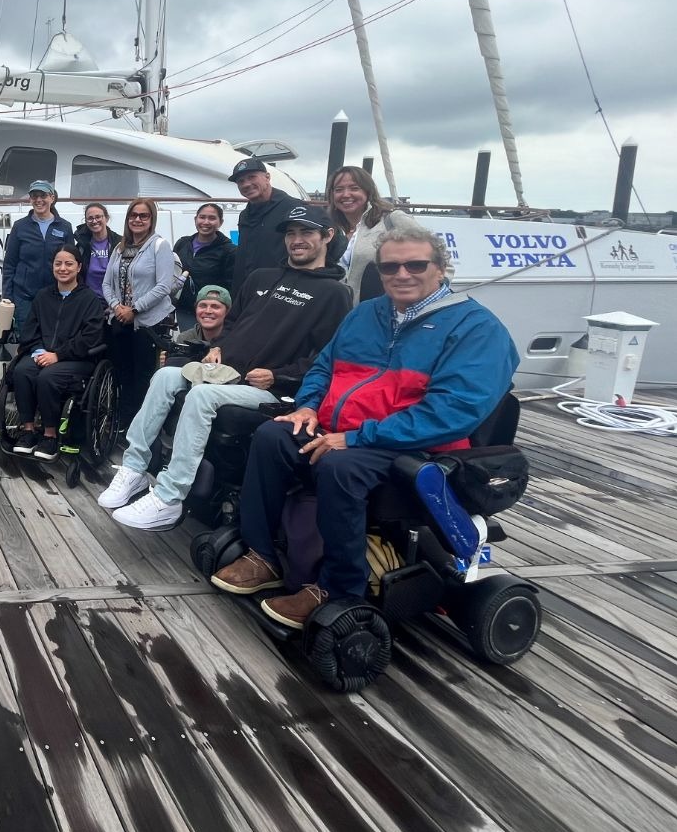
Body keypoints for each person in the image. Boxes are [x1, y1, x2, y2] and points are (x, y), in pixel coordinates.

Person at [211, 224, 518, 630]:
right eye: (390, 267)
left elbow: (453, 412)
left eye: (415, 264)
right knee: (272, 436)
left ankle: (339, 587)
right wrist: (307, 407)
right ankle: (263, 555)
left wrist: (357, 437)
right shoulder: (366, 313)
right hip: (344, 432)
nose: (401, 274)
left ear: (442, 268)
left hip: (417, 447)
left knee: (342, 466)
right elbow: (323, 366)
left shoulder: (476, 328)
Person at [101, 206, 352, 530]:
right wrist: (218, 346)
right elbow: (232, 324)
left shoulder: (335, 294)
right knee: (164, 376)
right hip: (224, 371)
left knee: (201, 397)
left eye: (306, 233)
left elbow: (325, 358)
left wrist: (279, 375)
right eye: (291, 233)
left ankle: (169, 496)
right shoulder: (261, 277)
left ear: (327, 236)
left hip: (268, 389)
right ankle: (134, 468)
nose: (297, 240)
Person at [9, 244, 108, 460]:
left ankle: (50, 436)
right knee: (22, 370)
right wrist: (37, 350)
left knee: (47, 377)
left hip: (77, 359)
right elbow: (30, 329)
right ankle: (28, 430)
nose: (63, 268)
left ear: (79, 267)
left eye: (69, 263)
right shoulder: (43, 296)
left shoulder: (89, 299)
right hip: (42, 354)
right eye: (58, 263)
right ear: (52, 267)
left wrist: (58, 355)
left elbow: (90, 337)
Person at [102, 198, 176, 429]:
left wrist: (135, 309)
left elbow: (164, 286)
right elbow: (106, 284)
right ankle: (123, 421)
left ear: (152, 219)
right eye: (133, 215)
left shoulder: (159, 245)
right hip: (121, 320)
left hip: (148, 323)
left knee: (142, 376)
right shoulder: (119, 247)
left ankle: (141, 425)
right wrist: (117, 307)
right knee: (123, 372)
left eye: (143, 215)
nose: (137, 219)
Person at [326, 164, 449, 302]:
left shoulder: (392, 219)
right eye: (339, 189)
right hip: (340, 310)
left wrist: (429, 295)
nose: (346, 194)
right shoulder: (330, 229)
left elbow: (441, 258)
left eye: (354, 188)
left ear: (368, 192)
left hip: (384, 311)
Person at [2, 180, 76, 339]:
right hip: (24, 297)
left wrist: (72, 295)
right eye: (34, 196)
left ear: (52, 198)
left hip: (55, 296)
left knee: (53, 340)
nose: (38, 200)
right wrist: (7, 297)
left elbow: (72, 263)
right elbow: (9, 265)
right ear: (30, 199)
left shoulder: (64, 227)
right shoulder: (20, 226)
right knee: (27, 340)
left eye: (43, 195)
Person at [228, 156, 300, 295]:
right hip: (246, 293)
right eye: (240, 181)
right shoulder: (245, 215)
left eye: (252, 177)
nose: (246, 184)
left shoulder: (293, 208)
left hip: (279, 294)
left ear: (267, 177)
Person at [172, 203, 234, 328]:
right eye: (202, 217)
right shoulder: (182, 243)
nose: (206, 222)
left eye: (212, 218)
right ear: (195, 219)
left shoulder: (229, 251)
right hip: (185, 311)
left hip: (211, 313)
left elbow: (231, 286)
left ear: (220, 222)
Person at [73, 202, 121, 302]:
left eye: (98, 217)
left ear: (106, 218)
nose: (94, 221)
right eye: (90, 218)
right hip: (89, 302)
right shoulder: (82, 246)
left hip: (115, 302)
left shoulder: (119, 243)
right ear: (86, 221)